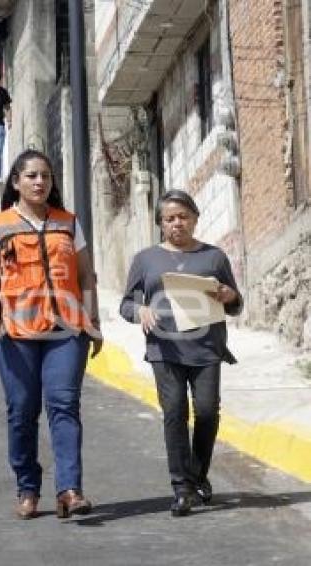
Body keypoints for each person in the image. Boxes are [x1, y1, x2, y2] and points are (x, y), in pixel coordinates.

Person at [0, 149, 102, 520]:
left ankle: (70, 490)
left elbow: (85, 275)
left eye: (45, 176)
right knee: (22, 410)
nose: (39, 182)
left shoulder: (68, 223)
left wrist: (93, 320)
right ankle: (28, 487)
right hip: (14, 334)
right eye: (31, 176)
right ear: (16, 182)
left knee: (64, 404)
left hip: (66, 329)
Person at [119, 190, 243, 517]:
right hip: (164, 349)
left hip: (206, 348)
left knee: (207, 412)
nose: (177, 223)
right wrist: (140, 311)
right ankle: (182, 488)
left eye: (183, 217)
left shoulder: (214, 258)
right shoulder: (146, 259)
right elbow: (126, 304)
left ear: (195, 219)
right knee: (174, 413)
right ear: (161, 223)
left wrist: (229, 295)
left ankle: (198, 475)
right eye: (170, 218)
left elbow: (235, 303)